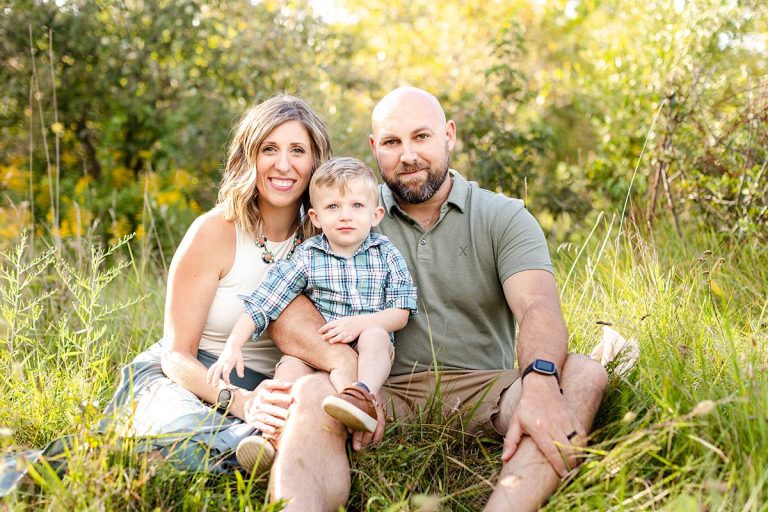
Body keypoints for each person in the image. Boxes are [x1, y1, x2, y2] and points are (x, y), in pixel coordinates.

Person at [264, 87, 609, 511]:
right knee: (312, 390)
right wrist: (352, 377)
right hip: (381, 389)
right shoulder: (349, 211)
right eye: (392, 142)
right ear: (375, 148)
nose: (407, 155)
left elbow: (538, 307)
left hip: (488, 390)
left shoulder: (503, 217)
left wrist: (538, 381)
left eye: (421, 137)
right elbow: (286, 309)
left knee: (584, 376)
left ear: (449, 135)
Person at [100, 94, 333, 472]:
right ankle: (33, 476)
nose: (283, 164)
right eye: (269, 148)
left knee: (268, 450)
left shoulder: (328, 239)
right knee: (183, 441)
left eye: (298, 150)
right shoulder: (215, 231)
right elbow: (176, 356)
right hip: (187, 378)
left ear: (316, 162)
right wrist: (241, 402)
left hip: (270, 387)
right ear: (249, 157)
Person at [205, 157, 417, 470]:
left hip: (367, 351)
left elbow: (400, 311)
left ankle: (362, 398)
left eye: (357, 205)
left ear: (376, 215)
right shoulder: (308, 255)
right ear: (316, 217)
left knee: (375, 335)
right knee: (289, 367)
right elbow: (266, 299)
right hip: (318, 350)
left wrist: (362, 323)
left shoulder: (385, 253)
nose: (345, 215)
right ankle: (270, 437)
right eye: (333, 207)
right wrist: (234, 344)